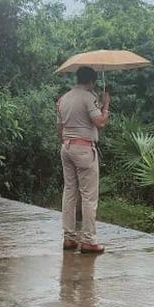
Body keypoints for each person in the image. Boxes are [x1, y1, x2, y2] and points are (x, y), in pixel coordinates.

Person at [56, 66, 110, 253]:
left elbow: (59, 129)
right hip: (84, 150)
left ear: (77, 79)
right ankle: (88, 241)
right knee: (88, 196)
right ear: (91, 81)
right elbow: (100, 122)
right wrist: (106, 106)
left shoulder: (63, 99)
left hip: (66, 148)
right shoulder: (89, 98)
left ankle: (69, 238)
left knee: (69, 192)